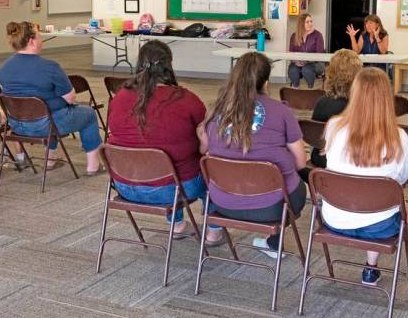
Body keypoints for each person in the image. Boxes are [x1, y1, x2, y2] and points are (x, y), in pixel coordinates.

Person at [322, 68, 408, 286]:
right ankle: (371, 267)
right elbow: (401, 179)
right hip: (380, 227)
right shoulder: (399, 137)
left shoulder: (334, 126)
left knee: (372, 193)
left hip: (334, 219)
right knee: (384, 198)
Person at [108, 40, 222, 244]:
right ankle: (213, 231)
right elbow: (207, 138)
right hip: (171, 189)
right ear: (169, 65)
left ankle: (177, 225)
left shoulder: (119, 97)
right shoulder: (186, 99)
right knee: (212, 170)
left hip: (123, 184)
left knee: (163, 162)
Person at [199, 52, 307, 258]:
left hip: (223, 202)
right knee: (293, 181)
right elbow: (301, 162)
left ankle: (218, 232)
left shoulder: (215, 111)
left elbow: (204, 151)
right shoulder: (281, 112)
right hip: (273, 207)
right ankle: (273, 242)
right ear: (266, 82)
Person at [0, 21, 102, 174]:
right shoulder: (50, 67)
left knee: (47, 110)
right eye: (39, 36)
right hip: (46, 125)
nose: (41, 39)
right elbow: (70, 97)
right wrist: (56, 101)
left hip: (17, 125)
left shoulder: (4, 68)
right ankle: (93, 166)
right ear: (32, 41)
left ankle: (50, 159)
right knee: (88, 114)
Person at [309, 49, 363, 168]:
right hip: (351, 161)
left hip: (321, 158)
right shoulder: (360, 106)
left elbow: (314, 139)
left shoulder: (321, 103)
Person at [287, 14, 325, 88]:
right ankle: (295, 89)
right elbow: (291, 53)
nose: (310, 24)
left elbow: (319, 54)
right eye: (307, 22)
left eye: (311, 21)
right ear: (301, 24)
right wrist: (296, 61)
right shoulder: (294, 36)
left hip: (316, 64)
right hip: (298, 63)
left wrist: (306, 61)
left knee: (306, 69)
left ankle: (310, 89)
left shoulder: (317, 35)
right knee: (292, 69)